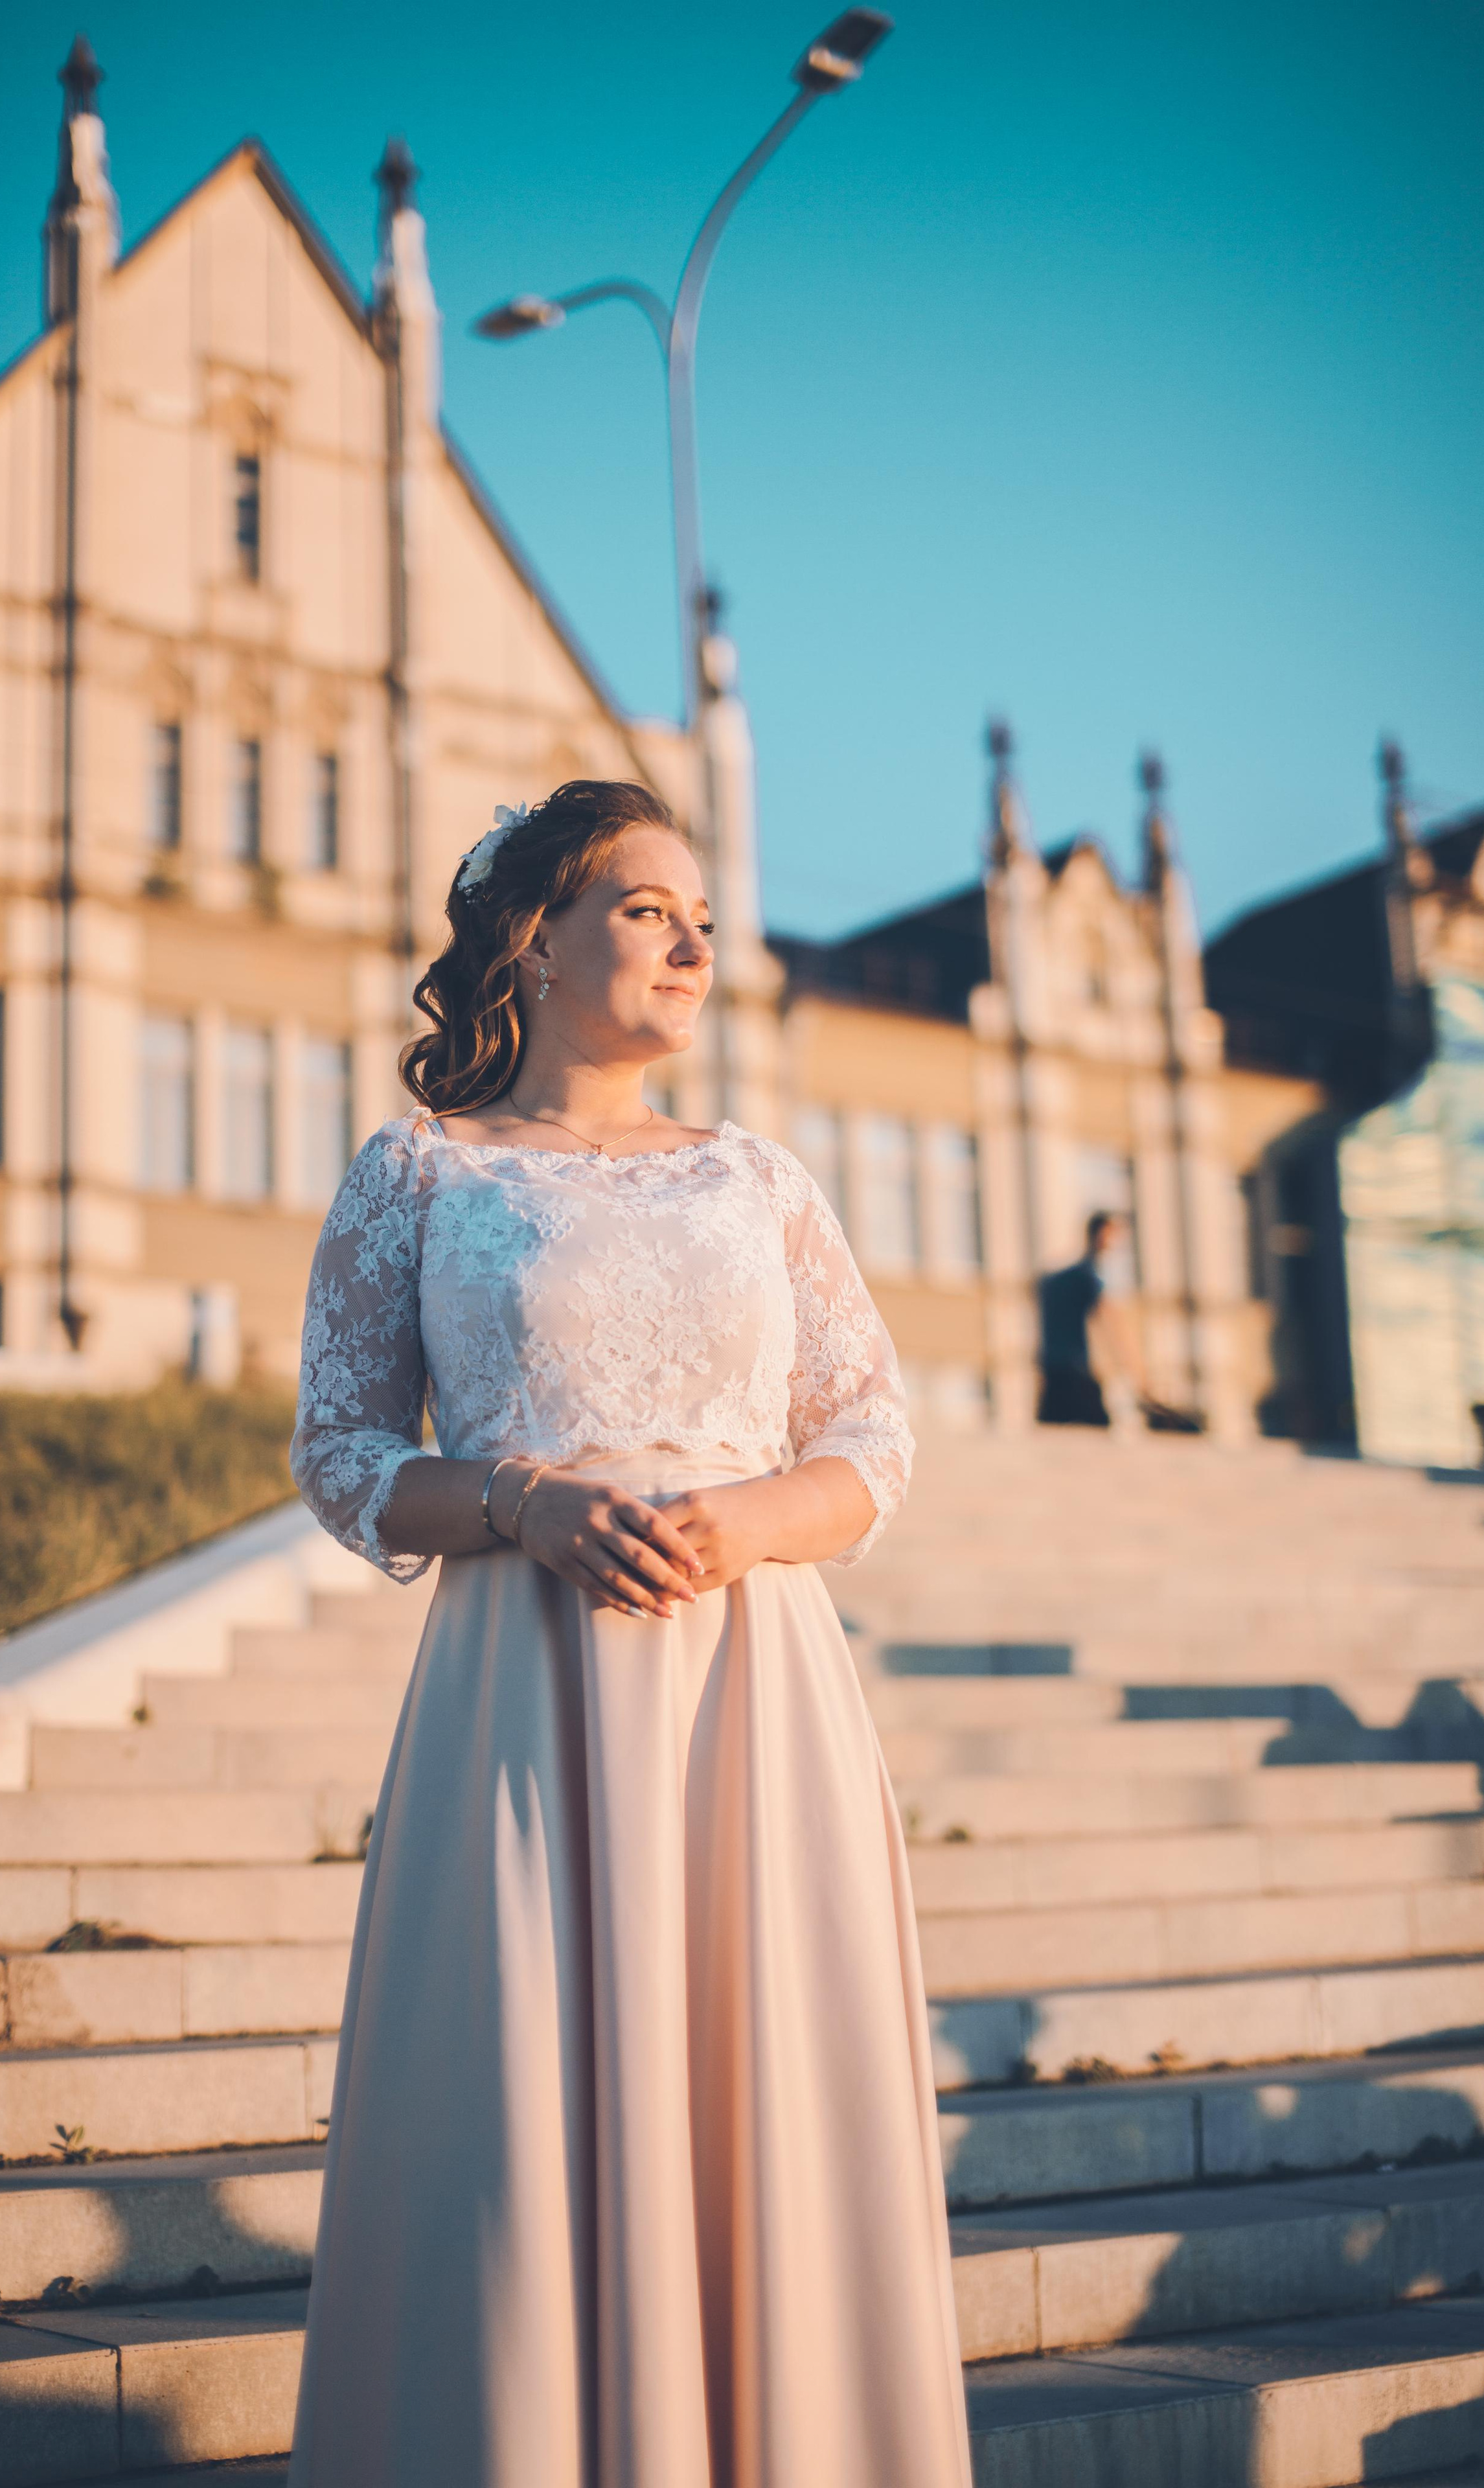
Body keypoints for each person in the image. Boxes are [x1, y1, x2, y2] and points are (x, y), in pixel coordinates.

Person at [286, 781, 973, 2488]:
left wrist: (750, 1521)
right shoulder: (420, 1171)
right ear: (535, 939)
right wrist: (517, 1501)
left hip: (755, 1689)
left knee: (764, 2100)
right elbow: (341, 1454)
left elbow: (873, 1437)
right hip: (524, 1688)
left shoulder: (759, 1178)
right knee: (523, 2104)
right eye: (648, 909)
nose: (692, 946)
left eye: (703, 921)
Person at [1036, 1208, 1145, 1426]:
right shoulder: (1088, 1277)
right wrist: (1137, 1374)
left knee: (1053, 1433)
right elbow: (1113, 1327)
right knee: (1098, 1430)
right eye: (1114, 1234)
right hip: (1075, 1371)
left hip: (1052, 1369)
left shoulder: (1057, 1279)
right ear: (1102, 1234)